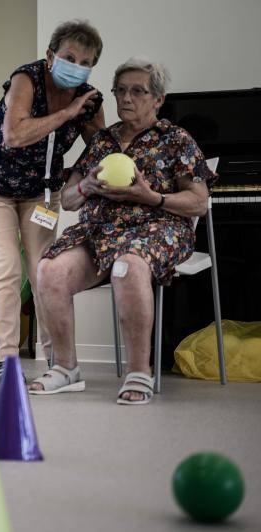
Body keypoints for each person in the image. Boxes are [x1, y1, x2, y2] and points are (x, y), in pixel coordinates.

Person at [29, 57, 216, 404]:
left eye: (137, 91)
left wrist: (152, 197)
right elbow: (68, 201)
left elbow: (199, 202)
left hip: (156, 228)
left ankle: (138, 372)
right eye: (121, 91)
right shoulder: (102, 141)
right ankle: (66, 369)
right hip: (99, 232)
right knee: (48, 270)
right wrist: (87, 186)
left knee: (127, 266)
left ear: (158, 99)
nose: (126, 98)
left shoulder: (176, 139)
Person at [0, 19, 105, 380]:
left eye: (86, 61)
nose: (76, 66)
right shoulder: (25, 80)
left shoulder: (89, 101)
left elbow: (100, 151)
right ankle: (7, 359)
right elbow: (14, 134)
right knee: (7, 267)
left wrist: (84, 179)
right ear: (50, 56)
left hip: (41, 192)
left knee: (43, 270)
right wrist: (66, 115)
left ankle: (55, 361)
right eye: (69, 57)